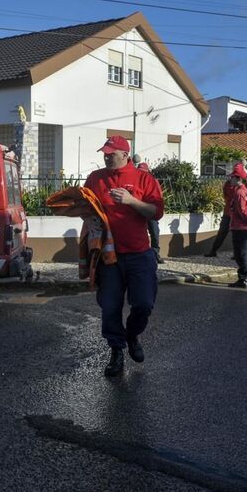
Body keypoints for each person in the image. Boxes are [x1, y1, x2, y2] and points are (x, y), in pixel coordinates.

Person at [84, 136, 164, 377]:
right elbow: (85, 206)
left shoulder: (144, 179)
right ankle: (116, 350)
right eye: (105, 153)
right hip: (109, 256)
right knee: (109, 306)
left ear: (125, 155)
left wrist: (131, 201)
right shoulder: (96, 178)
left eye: (111, 153)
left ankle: (132, 335)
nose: (106, 156)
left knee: (143, 304)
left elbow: (156, 212)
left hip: (139, 253)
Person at [227, 163, 247, 289]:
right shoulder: (244, 190)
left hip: (241, 227)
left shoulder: (240, 192)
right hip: (245, 227)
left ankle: (243, 278)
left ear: (238, 178)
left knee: (241, 253)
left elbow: (243, 211)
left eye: (232, 177)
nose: (230, 179)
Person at [133, 154, 165, 264]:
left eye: (143, 171)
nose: (142, 173)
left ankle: (156, 254)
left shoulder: (152, 181)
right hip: (138, 210)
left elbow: (158, 197)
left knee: (155, 232)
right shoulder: (134, 179)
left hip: (149, 210)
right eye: (140, 170)